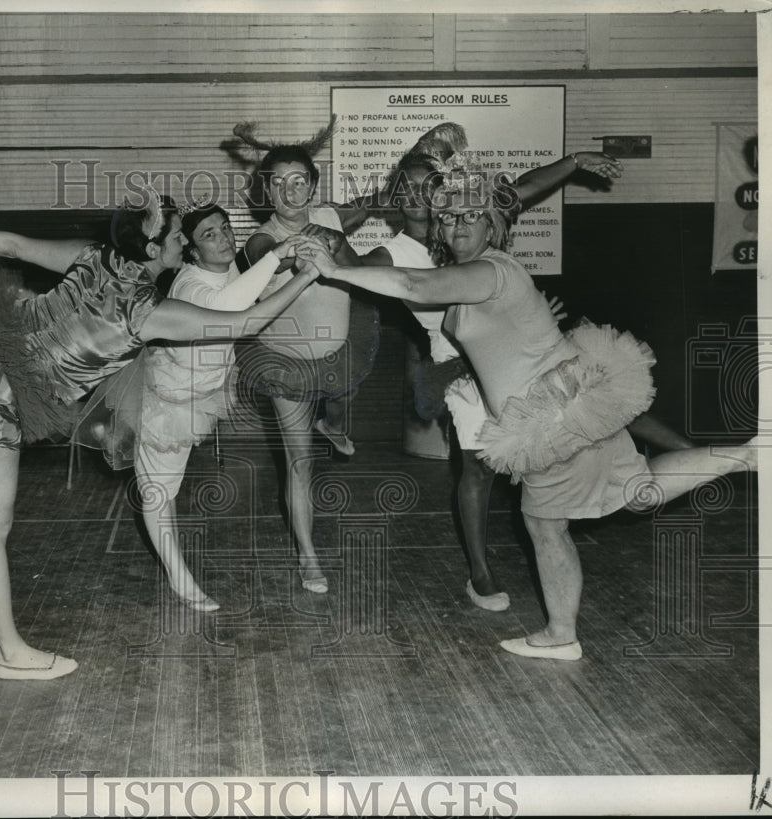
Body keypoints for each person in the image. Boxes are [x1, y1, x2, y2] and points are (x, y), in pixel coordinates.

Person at [0, 192, 322, 679]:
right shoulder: (151, 314)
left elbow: (10, 244)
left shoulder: (91, 255)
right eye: (174, 237)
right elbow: (246, 320)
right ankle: (10, 654)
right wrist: (309, 273)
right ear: (151, 249)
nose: (183, 243)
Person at [297, 160, 757, 660]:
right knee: (636, 492)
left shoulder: (488, 270)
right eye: (449, 217)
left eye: (471, 216)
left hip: (552, 417)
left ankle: (561, 635)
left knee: (545, 523)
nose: (459, 224)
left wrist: (334, 269)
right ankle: (750, 455)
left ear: (493, 224)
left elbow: (413, 286)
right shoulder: (471, 277)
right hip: (575, 399)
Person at [225, 123, 381, 594]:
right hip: (285, 363)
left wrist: (337, 241)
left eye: (299, 182)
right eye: (278, 182)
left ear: (312, 186)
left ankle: (332, 421)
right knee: (300, 462)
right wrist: (296, 247)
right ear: (266, 189)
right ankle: (308, 556)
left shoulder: (331, 218)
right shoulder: (259, 238)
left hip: (338, 352)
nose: (290, 191)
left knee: (343, 388)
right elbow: (266, 255)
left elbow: (354, 265)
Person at [127, 203, 301, 611]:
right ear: (190, 250)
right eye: (209, 234)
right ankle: (179, 578)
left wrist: (290, 260)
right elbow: (227, 308)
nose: (223, 238)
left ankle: (176, 573)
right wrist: (278, 254)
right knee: (158, 493)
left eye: (225, 228)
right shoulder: (189, 283)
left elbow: (250, 288)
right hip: (166, 399)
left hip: (200, 393)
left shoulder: (230, 271)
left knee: (164, 489)